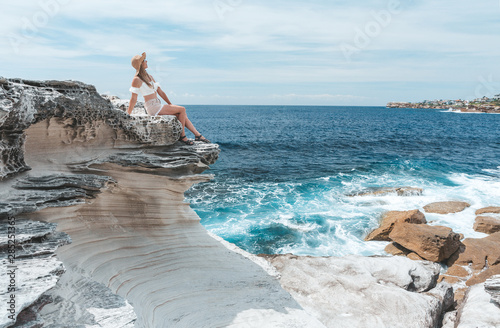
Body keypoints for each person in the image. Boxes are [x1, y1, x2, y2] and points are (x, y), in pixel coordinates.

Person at [127, 52, 210, 145]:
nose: (146, 61)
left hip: (158, 104)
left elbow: (160, 92)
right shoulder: (136, 79)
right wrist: (127, 114)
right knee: (182, 109)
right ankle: (183, 136)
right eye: (144, 60)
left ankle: (197, 135)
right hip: (152, 107)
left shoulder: (149, 77)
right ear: (141, 64)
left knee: (181, 115)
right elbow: (133, 98)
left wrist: (170, 104)